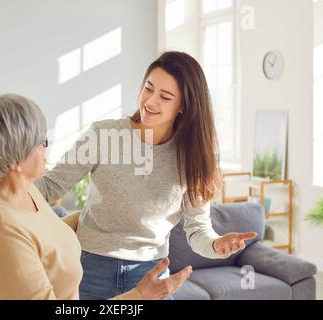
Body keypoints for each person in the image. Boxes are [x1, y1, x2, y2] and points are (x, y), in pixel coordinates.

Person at [32, 52, 258, 300]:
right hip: (91, 267)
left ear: (183, 105)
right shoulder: (103, 135)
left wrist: (216, 245)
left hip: (151, 272)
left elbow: (197, 229)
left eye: (165, 97)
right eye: (148, 89)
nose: (150, 101)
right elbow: (51, 185)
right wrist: (1, 188)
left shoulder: (193, 156)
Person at [0, 94, 192, 300]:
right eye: (42, 143)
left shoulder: (22, 188)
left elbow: (41, 237)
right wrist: (140, 296)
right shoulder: (1, 234)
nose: (46, 149)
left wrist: (108, 216)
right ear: (15, 162)